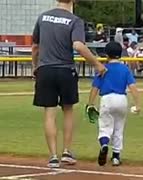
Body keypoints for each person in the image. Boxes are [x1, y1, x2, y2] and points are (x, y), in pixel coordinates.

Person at [31, 0, 106, 168]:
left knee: (49, 113)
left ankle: (53, 156)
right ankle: (66, 151)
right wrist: (97, 64)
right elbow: (78, 45)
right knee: (68, 111)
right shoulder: (75, 20)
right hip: (65, 69)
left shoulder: (43, 17)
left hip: (45, 69)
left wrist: (35, 67)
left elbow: (35, 46)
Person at [87, 41, 141, 166]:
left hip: (107, 99)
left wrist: (90, 104)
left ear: (107, 55)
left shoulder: (102, 69)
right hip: (122, 99)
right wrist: (138, 104)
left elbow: (95, 88)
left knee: (105, 127)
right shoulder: (125, 69)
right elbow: (133, 87)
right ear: (120, 54)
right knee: (118, 128)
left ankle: (104, 144)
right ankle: (116, 157)